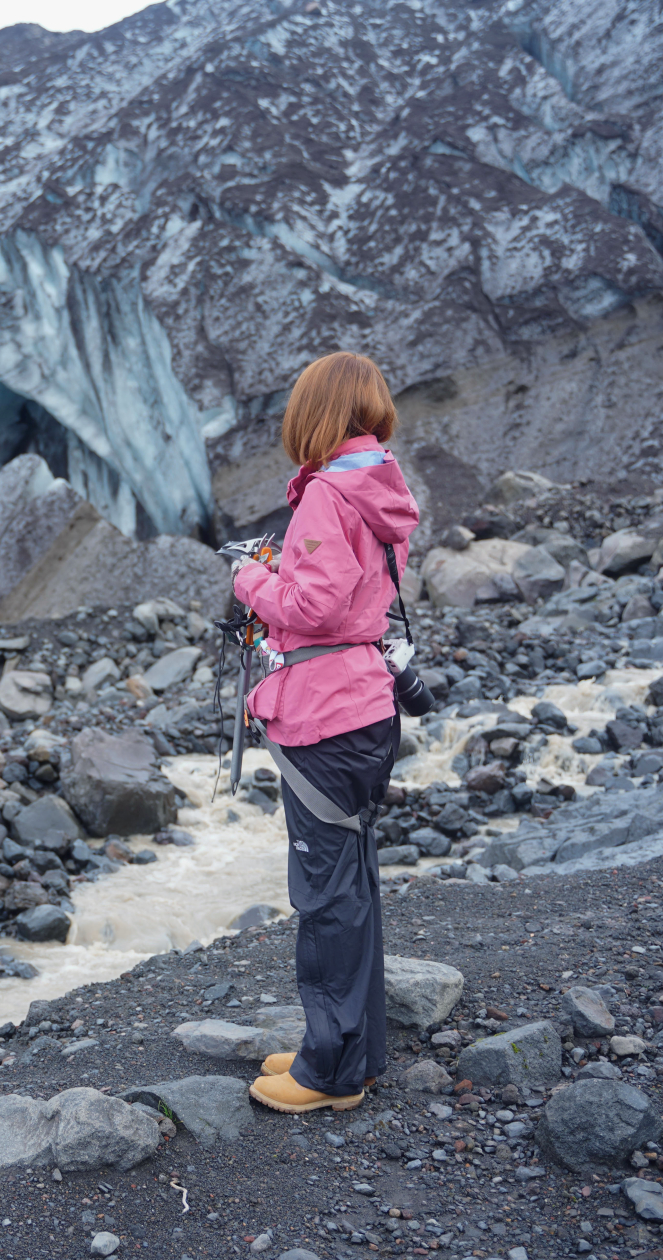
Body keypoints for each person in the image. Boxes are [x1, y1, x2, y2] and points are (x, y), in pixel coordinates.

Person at [229, 351, 419, 1114]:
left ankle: (330, 1071)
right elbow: (345, 598)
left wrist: (249, 577)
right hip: (367, 705)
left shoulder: (325, 498)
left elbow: (309, 608)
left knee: (326, 895)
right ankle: (355, 1048)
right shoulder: (380, 489)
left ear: (316, 414)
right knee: (355, 883)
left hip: (325, 717)